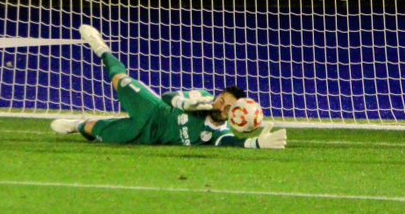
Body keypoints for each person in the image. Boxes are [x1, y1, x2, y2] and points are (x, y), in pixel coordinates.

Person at [51, 25, 287, 149]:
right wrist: (184, 103)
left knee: (91, 129)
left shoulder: (218, 134)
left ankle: (77, 124)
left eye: (227, 108)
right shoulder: (202, 97)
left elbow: (233, 144)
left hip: (147, 138)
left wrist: (256, 143)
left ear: (234, 117)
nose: (220, 105)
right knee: (120, 80)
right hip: (154, 110)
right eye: (221, 99)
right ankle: (100, 47)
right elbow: (166, 96)